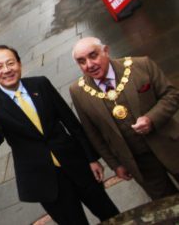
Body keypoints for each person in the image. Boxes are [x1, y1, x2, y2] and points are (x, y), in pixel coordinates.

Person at [0, 45, 118, 225]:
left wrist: (91, 158)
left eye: (10, 63)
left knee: (111, 215)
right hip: (45, 182)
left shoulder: (40, 84)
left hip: (78, 166)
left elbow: (72, 123)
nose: (7, 70)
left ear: (19, 64)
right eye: (0, 66)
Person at [70, 37, 179, 200]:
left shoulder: (141, 65)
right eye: (82, 61)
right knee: (166, 205)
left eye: (93, 55)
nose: (89, 65)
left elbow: (171, 96)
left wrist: (151, 119)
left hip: (170, 145)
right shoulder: (77, 91)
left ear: (105, 51)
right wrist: (116, 165)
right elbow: (93, 134)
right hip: (140, 163)